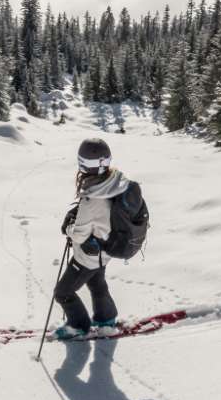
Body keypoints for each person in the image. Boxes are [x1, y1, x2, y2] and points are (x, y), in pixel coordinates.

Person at [54, 137, 152, 341]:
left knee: (63, 292)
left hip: (88, 257)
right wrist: (78, 212)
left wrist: (69, 226)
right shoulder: (115, 181)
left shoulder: (93, 199)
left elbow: (79, 233)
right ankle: (106, 320)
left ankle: (78, 326)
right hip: (105, 250)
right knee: (97, 284)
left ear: (83, 164)